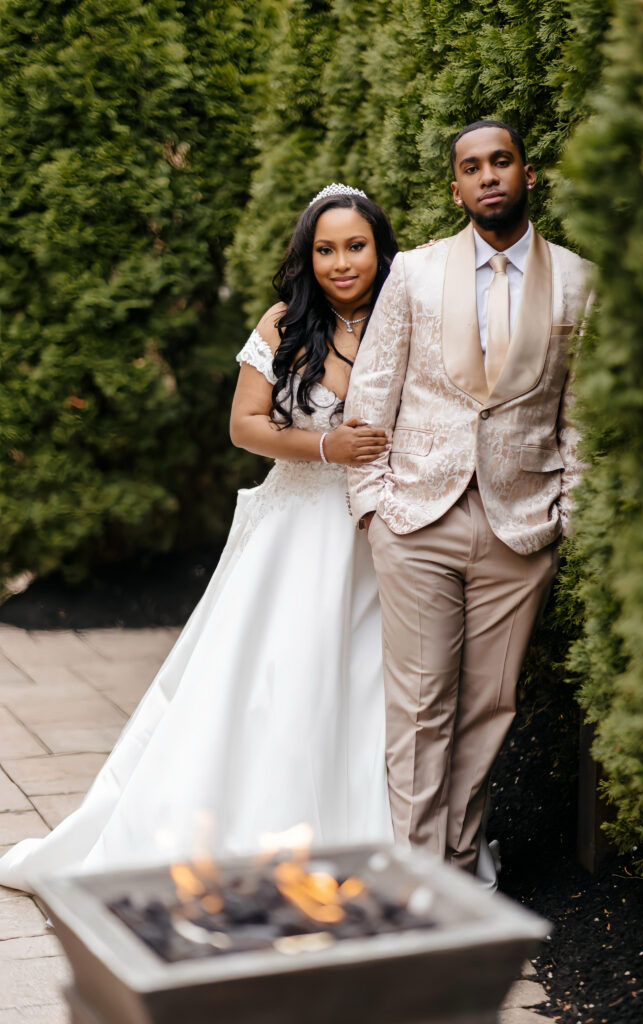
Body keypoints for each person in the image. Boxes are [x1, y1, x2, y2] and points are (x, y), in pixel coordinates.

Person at [0, 184, 398, 893]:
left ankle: (365, 845)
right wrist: (328, 447)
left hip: (381, 535)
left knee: (365, 687)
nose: (342, 262)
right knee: (280, 681)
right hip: (297, 535)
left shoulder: (401, 319)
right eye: (325, 248)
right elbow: (244, 425)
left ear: (379, 248)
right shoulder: (283, 324)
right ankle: (256, 842)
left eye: (355, 246)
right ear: (308, 257)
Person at [345, 121, 593, 880]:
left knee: (489, 710)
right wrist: (373, 508)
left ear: (526, 174)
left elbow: (584, 412)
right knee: (419, 710)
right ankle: (419, 885)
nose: (487, 176)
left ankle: (454, 871)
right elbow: (373, 391)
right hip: (416, 519)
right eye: (470, 167)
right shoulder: (415, 274)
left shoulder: (581, 283)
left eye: (500, 161)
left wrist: (565, 517)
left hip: (520, 531)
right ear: (454, 187)